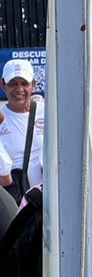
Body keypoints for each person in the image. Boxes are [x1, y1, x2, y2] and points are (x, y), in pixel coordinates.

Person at [0, 59, 43, 199]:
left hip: (47, 201)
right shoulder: (0, 117)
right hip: (14, 203)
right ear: (3, 85)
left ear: (33, 85)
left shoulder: (49, 114)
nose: (19, 89)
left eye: (24, 83)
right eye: (13, 83)